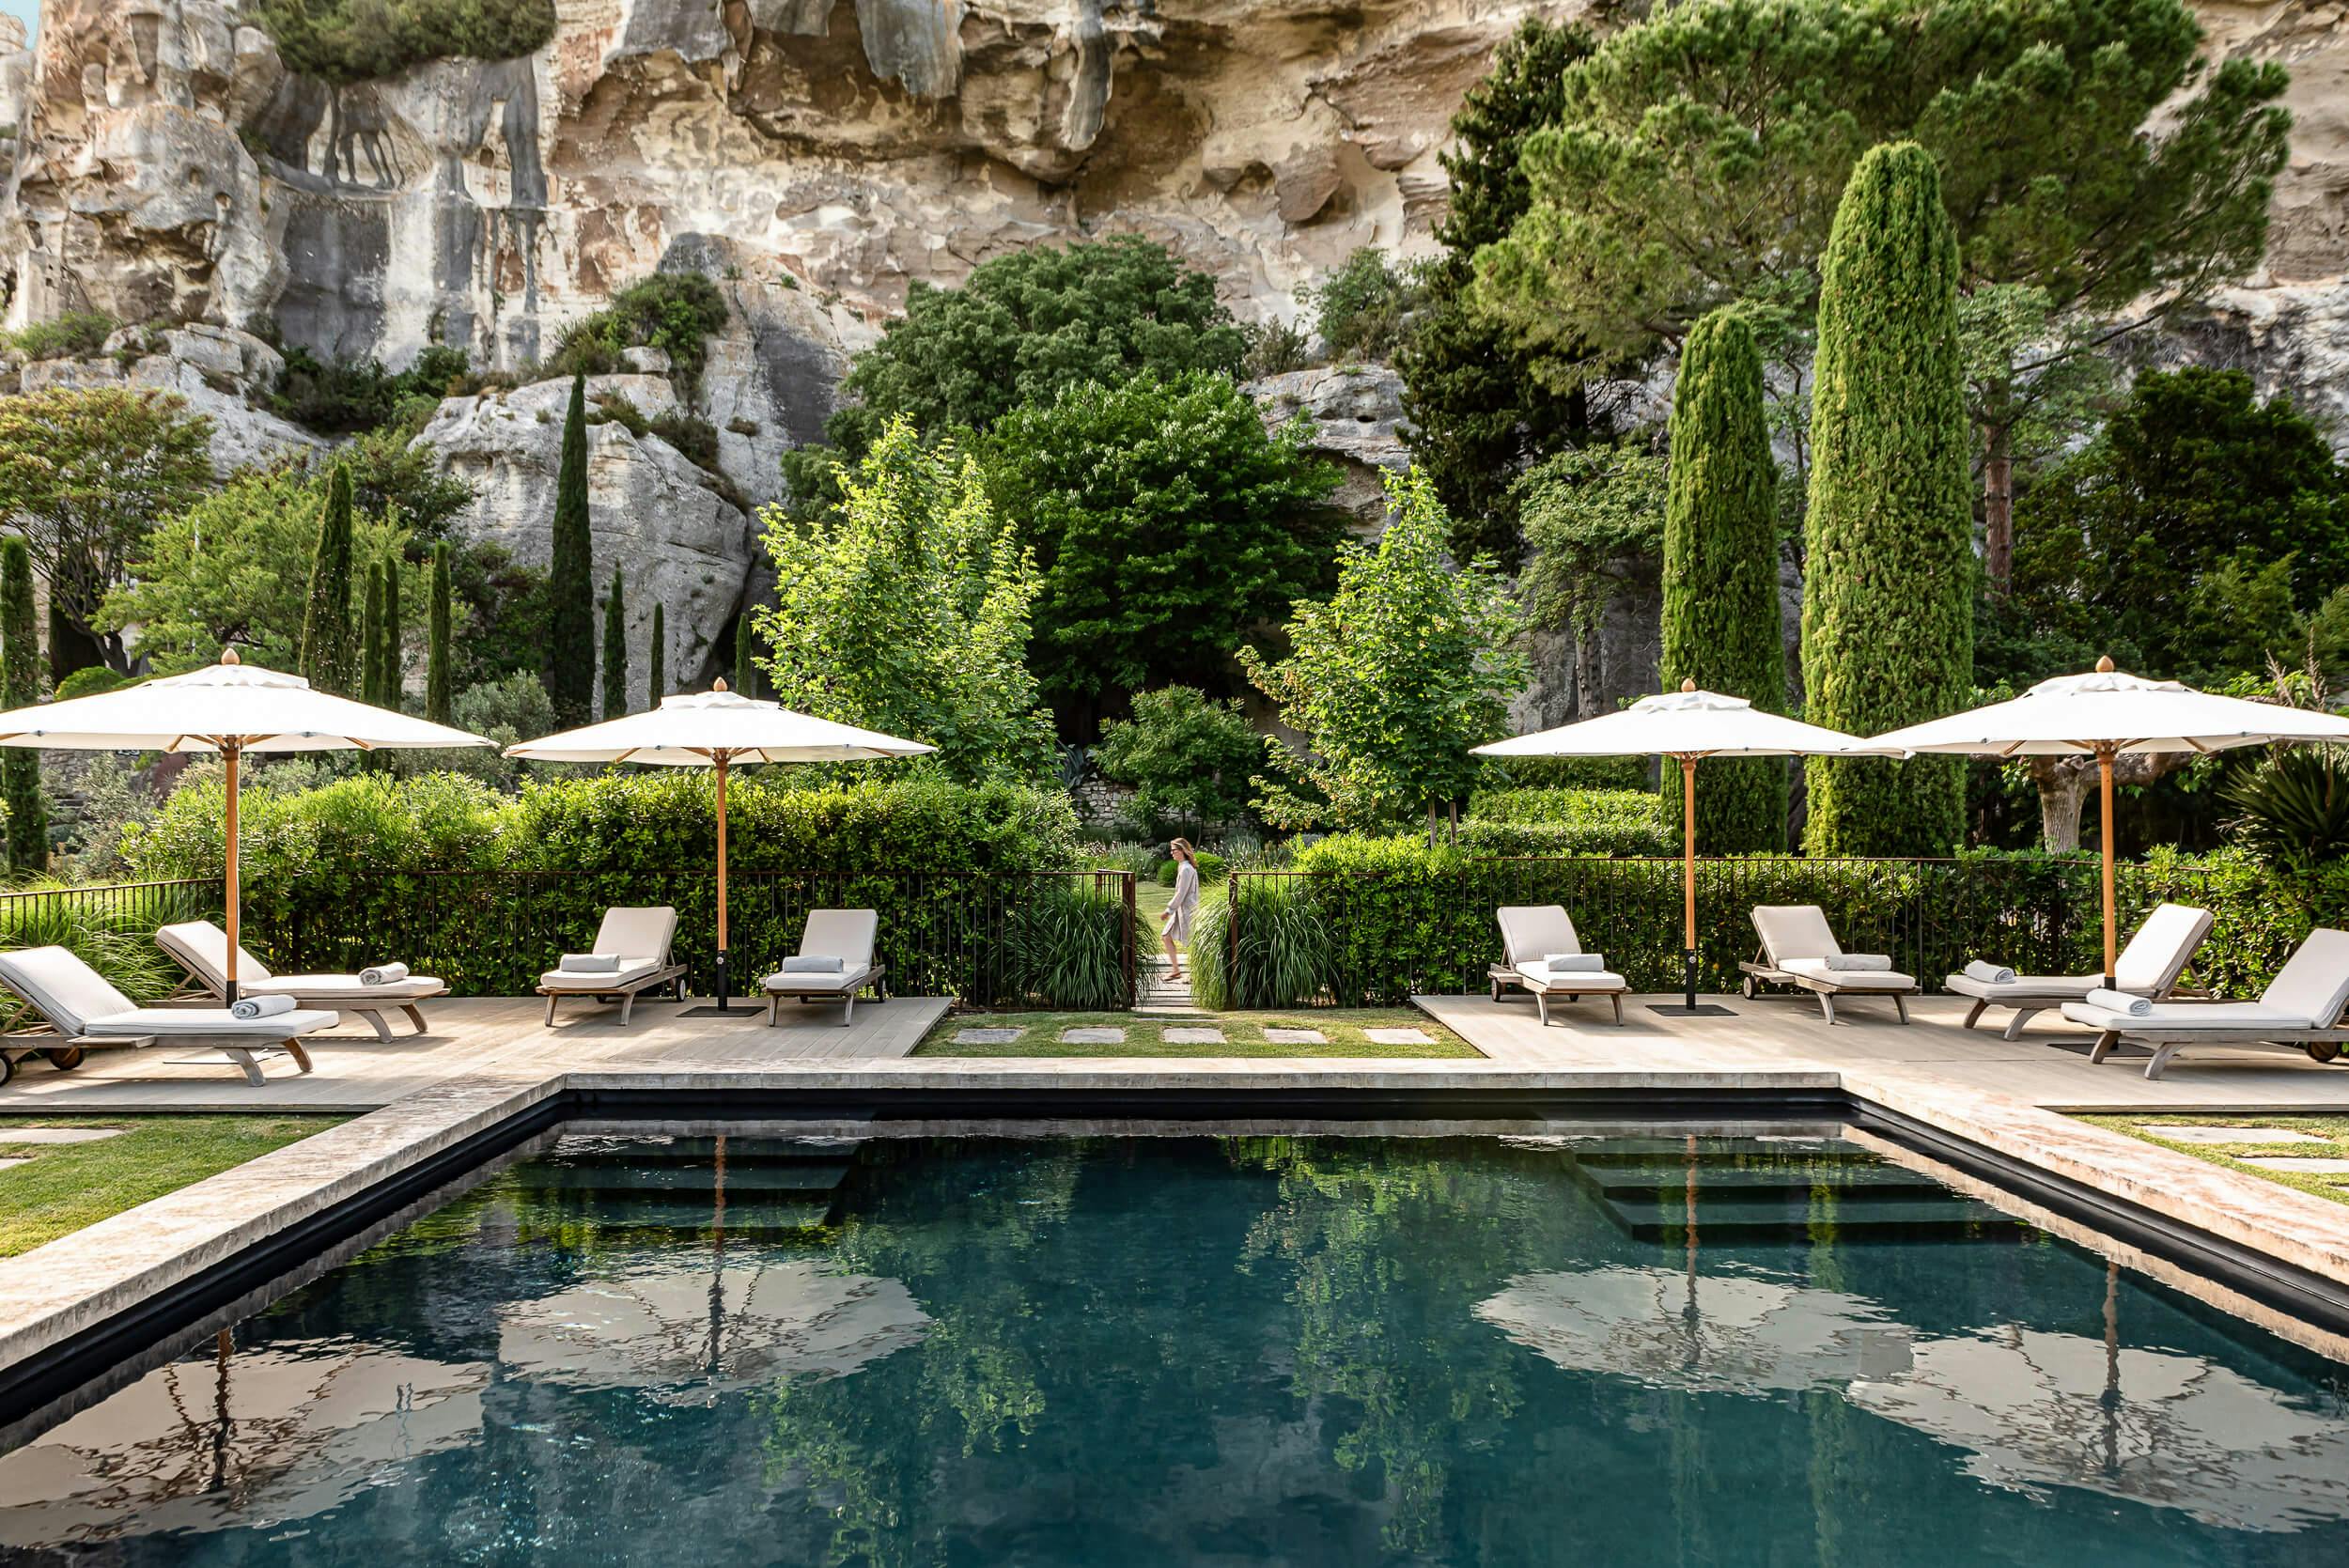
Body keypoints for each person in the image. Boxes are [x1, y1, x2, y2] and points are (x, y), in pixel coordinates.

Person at [1160, 838, 1201, 982]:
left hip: (1188, 909)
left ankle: (1195, 973)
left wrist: (1168, 910)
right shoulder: (1183, 866)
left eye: (1174, 850)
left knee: (1190, 941)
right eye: (1171, 850)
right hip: (1181, 909)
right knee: (1166, 936)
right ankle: (1176, 971)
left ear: (1182, 851)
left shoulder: (1186, 869)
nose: (1171, 853)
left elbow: (1181, 893)